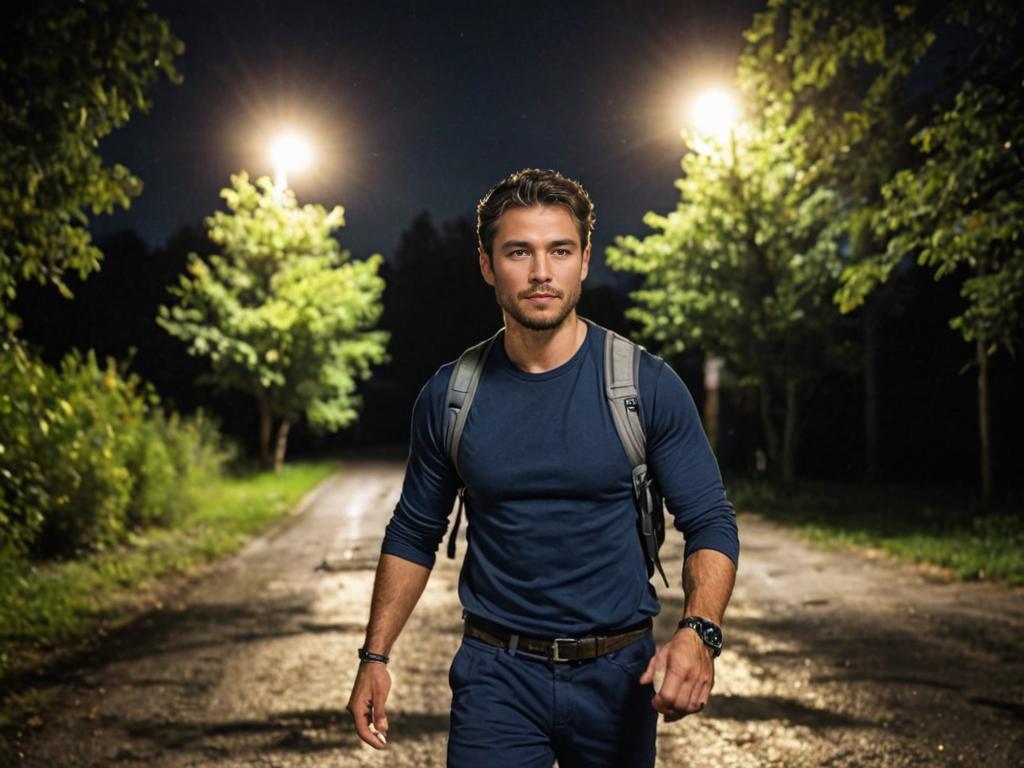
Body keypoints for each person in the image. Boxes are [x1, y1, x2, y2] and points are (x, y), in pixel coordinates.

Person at [347, 168, 739, 767]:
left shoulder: (644, 386)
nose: (540, 272)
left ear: (584, 261)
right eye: (518, 252)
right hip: (495, 676)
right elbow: (413, 532)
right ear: (487, 265)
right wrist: (375, 656)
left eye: (560, 251)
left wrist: (699, 631)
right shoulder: (452, 396)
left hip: (618, 675)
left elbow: (710, 520)